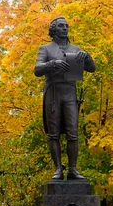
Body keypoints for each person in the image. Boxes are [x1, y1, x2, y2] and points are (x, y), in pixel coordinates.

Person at [34, 16, 96, 180]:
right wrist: (52, 64)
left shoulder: (75, 49)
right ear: (54, 29)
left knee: (73, 133)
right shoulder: (45, 49)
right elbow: (37, 69)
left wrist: (87, 56)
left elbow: (92, 68)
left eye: (67, 26)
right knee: (53, 134)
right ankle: (58, 169)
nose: (65, 28)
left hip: (70, 92)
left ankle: (72, 169)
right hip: (53, 93)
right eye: (61, 26)